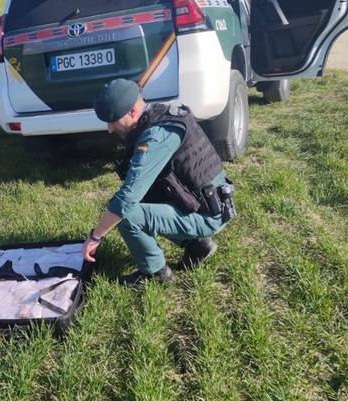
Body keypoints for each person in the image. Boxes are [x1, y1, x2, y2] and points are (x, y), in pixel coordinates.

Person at [81, 79, 236, 285]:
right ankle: (197, 244)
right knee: (139, 200)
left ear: (133, 112)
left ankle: (155, 274)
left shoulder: (157, 136)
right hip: (200, 202)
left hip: (208, 214)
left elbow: (127, 199)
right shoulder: (155, 115)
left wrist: (96, 236)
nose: (109, 129)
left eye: (112, 120)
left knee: (127, 215)